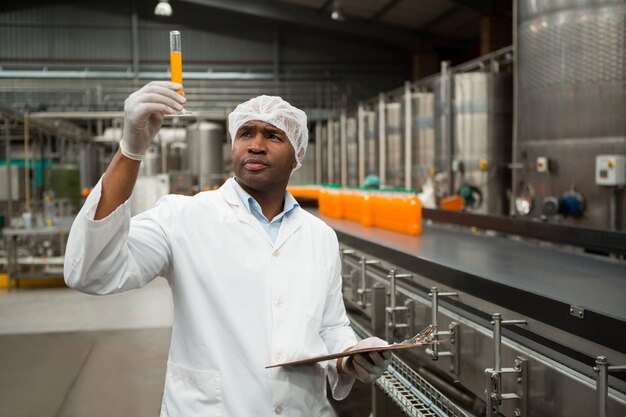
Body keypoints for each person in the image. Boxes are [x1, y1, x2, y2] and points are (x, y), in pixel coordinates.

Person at [64, 81, 391, 416]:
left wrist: (350, 353)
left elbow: (329, 326)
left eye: (273, 136)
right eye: (246, 133)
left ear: (297, 156)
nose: (256, 146)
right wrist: (130, 150)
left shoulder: (318, 235)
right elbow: (91, 271)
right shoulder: (183, 217)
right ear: (233, 146)